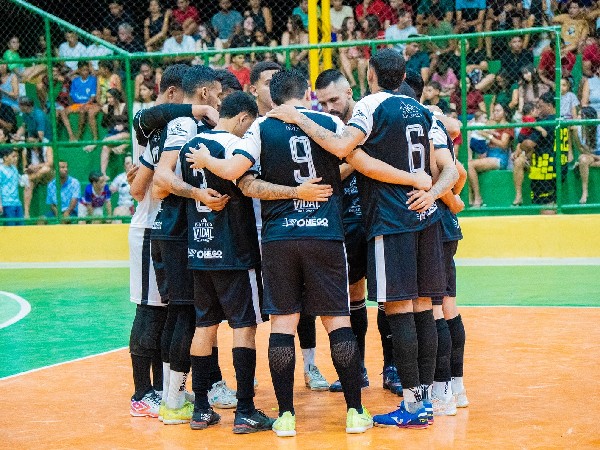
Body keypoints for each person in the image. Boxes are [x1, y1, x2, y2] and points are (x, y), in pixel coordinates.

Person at [267, 49, 459, 428]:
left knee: (399, 310)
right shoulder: (421, 110)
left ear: (369, 75)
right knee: (424, 308)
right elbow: (444, 168)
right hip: (424, 217)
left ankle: (413, 404)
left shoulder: (371, 106)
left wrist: (299, 118)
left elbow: (343, 148)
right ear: (402, 75)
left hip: (391, 219)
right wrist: (430, 191)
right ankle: (430, 398)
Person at [186, 69, 374, 436]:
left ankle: (286, 416)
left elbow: (238, 175)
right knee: (338, 321)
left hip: (279, 238)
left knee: (283, 325)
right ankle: (355, 411)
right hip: (325, 233)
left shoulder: (260, 128)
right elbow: (350, 155)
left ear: (271, 98)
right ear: (307, 92)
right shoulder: (329, 122)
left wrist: (207, 161)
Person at [179, 91, 275, 433]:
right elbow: (248, 185)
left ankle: (201, 409)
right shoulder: (235, 146)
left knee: (204, 327)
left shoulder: (191, 145)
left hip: (200, 249)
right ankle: (245, 409)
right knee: (244, 327)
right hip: (235, 250)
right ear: (243, 118)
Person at [127, 64, 215, 419]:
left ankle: (165, 391)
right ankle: (141, 393)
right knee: (150, 310)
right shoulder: (155, 123)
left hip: (167, 227)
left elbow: (139, 185)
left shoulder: (169, 130)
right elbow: (139, 190)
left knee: (168, 312)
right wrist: (198, 109)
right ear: (175, 93)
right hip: (151, 227)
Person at [150, 65, 231, 425]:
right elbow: (161, 179)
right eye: (217, 93)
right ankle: (172, 401)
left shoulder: (195, 124)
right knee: (186, 315)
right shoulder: (184, 124)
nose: (220, 100)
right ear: (203, 94)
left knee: (184, 314)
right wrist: (197, 193)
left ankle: (176, 395)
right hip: (177, 229)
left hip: (180, 229)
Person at [248, 61, 330, 391]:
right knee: (260, 305)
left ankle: (310, 365)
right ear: (255, 89)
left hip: (296, 222)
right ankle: (248, 371)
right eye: (268, 80)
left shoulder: (309, 121)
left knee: (303, 302)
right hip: (259, 224)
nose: (273, 85)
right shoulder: (251, 126)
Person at [314, 69, 396, 394]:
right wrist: (354, 160)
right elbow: (326, 175)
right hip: (346, 220)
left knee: (389, 298)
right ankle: (357, 368)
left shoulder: (371, 116)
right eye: (323, 103)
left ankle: (392, 368)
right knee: (354, 295)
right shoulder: (325, 128)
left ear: (349, 92)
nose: (329, 107)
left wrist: (350, 160)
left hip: (378, 217)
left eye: (334, 99)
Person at [514, 91, 568, 209]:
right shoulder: (562, 120)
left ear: (549, 105)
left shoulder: (545, 122)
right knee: (553, 202)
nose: (539, 110)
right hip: (561, 166)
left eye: (541, 106)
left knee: (545, 206)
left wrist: (521, 145)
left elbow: (529, 144)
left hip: (545, 169)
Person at [467, 103, 514, 207]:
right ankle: (470, 198)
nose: (495, 113)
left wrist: (488, 136)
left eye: (498, 111)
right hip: (488, 154)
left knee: (470, 165)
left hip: (499, 157)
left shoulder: (507, 126)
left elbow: (503, 144)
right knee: (466, 165)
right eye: (494, 111)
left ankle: (478, 197)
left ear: (505, 113)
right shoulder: (491, 124)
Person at [573, 106, 600, 204]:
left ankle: (580, 165)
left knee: (582, 161)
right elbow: (580, 148)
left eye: (581, 115)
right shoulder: (577, 129)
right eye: (578, 114)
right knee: (582, 159)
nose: (578, 117)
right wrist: (595, 157)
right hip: (590, 155)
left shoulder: (598, 126)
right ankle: (585, 192)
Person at [337, 17, 368, 96]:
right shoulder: (340, 35)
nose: (352, 25)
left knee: (343, 69)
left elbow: (362, 48)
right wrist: (350, 39)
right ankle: (352, 81)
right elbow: (341, 50)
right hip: (347, 60)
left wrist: (358, 41)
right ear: (345, 24)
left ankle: (359, 88)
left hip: (356, 58)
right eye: (350, 23)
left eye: (353, 23)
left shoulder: (357, 33)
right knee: (342, 56)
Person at [0, 149, 24, 226]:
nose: (15, 159)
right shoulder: (1, 169)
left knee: (21, 226)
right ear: (5, 158)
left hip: (17, 202)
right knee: (11, 226)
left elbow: (20, 182)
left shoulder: (14, 168)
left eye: (16, 156)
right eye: (13, 156)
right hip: (6, 202)